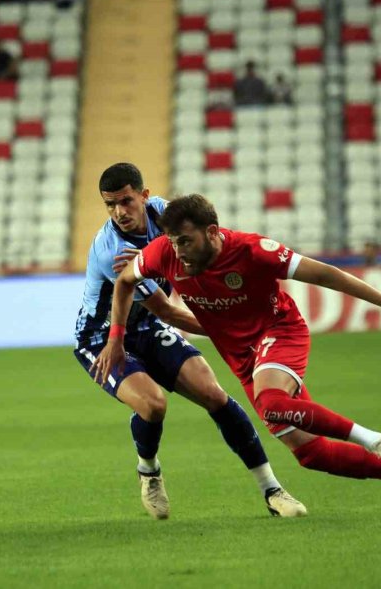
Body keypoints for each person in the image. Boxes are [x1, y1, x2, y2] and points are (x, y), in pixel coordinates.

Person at [96, 194, 381, 514]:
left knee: (271, 403)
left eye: (185, 240)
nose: (179, 251)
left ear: (212, 232)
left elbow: (324, 273)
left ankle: (377, 440)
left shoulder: (252, 250)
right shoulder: (165, 254)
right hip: (243, 358)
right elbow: (125, 281)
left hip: (280, 331)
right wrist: (116, 338)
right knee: (312, 454)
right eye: (172, 241)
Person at [75, 163, 306, 520]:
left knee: (215, 395)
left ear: (144, 196)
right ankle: (148, 470)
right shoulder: (112, 251)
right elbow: (169, 312)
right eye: (110, 205)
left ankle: (272, 489)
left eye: (126, 201)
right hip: (102, 337)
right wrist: (234, 327)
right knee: (153, 405)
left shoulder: (166, 216)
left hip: (147, 326)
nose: (120, 212)